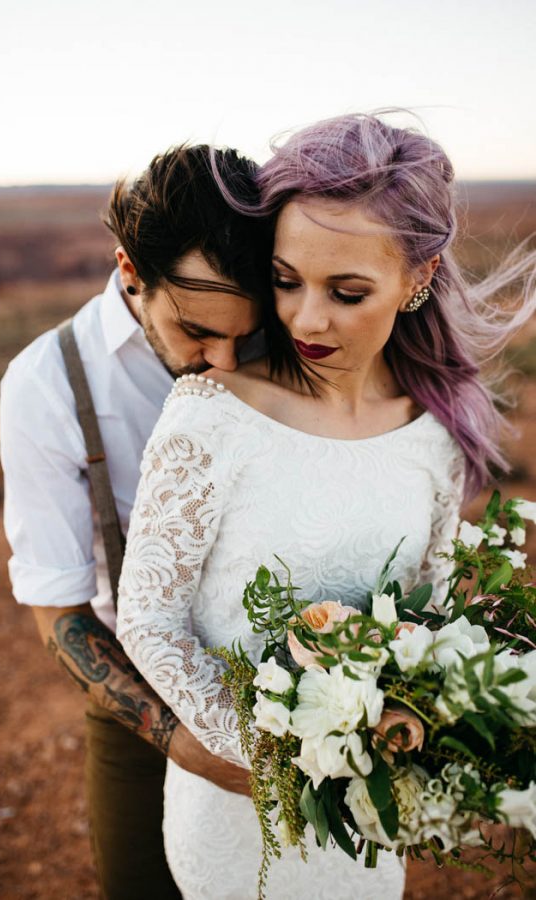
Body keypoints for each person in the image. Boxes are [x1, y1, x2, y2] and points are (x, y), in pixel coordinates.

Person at [116, 113, 536, 899]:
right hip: (241, 824)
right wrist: (289, 754)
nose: (307, 319)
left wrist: (427, 735)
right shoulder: (210, 415)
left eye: (347, 292)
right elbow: (148, 619)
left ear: (418, 278)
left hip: (371, 830)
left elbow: (433, 612)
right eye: (285, 280)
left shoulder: (434, 440)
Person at [0, 144, 277, 899]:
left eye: (241, 335)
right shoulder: (47, 383)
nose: (221, 361)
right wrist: (186, 746)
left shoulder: (287, 334)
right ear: (130, 271)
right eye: (196, 331)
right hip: (144, 716)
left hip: (300, 688)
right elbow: (58, 610)